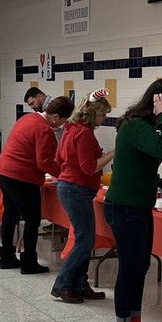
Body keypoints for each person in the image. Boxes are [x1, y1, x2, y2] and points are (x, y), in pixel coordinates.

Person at [104, 79, 162, 322]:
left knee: (140, 268)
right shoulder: (138, 125)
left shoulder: (145, 126)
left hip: (138, 206)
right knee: (129, 270)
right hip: (124, 207)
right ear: (158, 100)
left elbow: (149, 157)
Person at [0, 96, 73, 273]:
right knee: (32, 219)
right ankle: (29, 262)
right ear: (56, 116)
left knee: (10, 215)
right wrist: (65, 174)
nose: (61, 125)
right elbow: (44, 162)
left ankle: (6, 257)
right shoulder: (44, 130)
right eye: (62, 120)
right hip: (21, 177)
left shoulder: (28, 118)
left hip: (3, 171)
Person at [50, 90, 115, 303]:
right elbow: (89, 168)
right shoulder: (85, 133)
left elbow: (60, 157)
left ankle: (80, 284)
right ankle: (63, 284)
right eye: (101, 115)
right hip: (77, 189)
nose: (103, 119)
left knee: (83, 239)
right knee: (84, 240)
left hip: (68, 186)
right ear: (91, 114)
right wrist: (112, 153)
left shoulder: (69, 128)